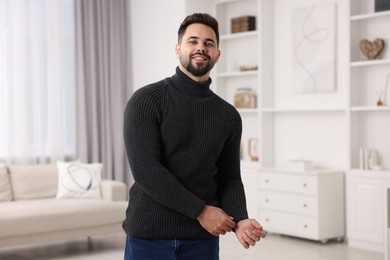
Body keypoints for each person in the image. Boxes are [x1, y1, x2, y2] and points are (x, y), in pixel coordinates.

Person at [122, 13, 266, 259]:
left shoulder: (228, 116)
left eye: (209, 43)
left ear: (217, 55)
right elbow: (146, 170)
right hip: (149, 235)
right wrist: (201, 211)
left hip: (201, 241)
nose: (201, 47)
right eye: (193, 41)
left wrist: (240, 220)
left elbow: (229, 178)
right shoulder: (146, 100)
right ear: (178, 49)